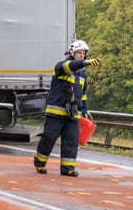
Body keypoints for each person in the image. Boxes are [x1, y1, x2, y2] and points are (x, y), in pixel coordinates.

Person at [33, 39, 101, 176]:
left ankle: (68, 168)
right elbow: (70, 66)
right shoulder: (62, 66)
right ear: (72, 53)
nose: (82, 55)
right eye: (79, 53)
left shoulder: (82, 74)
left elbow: (83, 94)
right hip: (56, 112)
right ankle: (39, 163)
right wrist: (85, 63)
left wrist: (85, 109)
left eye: (84, 54)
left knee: (71, 140)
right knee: (49, 138)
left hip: (73, 114)